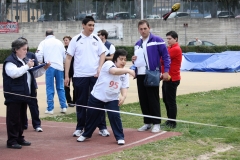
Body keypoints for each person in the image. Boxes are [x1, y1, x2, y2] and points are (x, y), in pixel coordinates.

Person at [77, 49, 135, 145]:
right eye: (121, 59)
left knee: (115, 116)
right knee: (92, 117)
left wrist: (123, 96)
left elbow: (124, 86)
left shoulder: (124, 73)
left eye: (125, 59)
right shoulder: (108, 64)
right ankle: (86, 134)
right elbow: (113, 71)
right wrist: (129, 70)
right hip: (97, 96)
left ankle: (120, 137)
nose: (123, 62)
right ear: (115, 59)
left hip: (112, 98)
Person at [64, 16, 110, 137]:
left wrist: (100, 68)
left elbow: (103, 53)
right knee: (81, 102)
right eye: (89, 25)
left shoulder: (96, 38)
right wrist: (67, 75)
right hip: (80, 76)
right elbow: (68, 58)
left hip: (95, 76)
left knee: (98, 101)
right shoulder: (75, 39)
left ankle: (102, 127)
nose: (92, 28)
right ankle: (80, 127)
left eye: (93, 25)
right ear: (83, 25)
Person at [3, 39, 49, 149]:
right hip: (14, 94)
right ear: (16, 50)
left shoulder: (25, 60)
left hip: (24, 94)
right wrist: (27, 66)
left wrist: (44, 68)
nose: (26, 51)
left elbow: (33, 74)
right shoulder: (10, 61)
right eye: (23, 49)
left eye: (26, 49)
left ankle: (19, 137)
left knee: (21, 118)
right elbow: (14, 73)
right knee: (13, 118)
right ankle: (12, 140)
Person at [132, 20, 170, 133]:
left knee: (153, 99)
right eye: (141, 29)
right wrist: (133, 60)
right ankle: (147, 122)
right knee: (143, 99)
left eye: (145, 28)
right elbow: (137, 60)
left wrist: (166, 71)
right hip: (140, 75)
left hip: (152, 73)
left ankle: (156, 123)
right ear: (138, 30)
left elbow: (166, 56)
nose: (143, 31)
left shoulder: (157, 40)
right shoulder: (137, 44)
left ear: (149, 28)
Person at [36, 29, 67, 114]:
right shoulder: (59, 42)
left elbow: (38, 54)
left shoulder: (43, 42)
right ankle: (63, 106)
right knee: (60, 87)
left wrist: (41, 62)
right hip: (59, 67)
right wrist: (62, 62)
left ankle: (50, 108)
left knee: (50, 87)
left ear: (45, 35)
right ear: (53, 34)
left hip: (49, 66)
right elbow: (65, 56)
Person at [161, 31, 182, 129]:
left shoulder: (175, 49)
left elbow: (162, 59)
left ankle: (172, 122)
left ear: (175, 39)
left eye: (170, 39)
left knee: (170, 101)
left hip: (172, 79)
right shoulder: (169, 48)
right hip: (167, 78)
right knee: (166, 100)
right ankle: (170, 120)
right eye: (167, 39)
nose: (168, 41)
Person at [63, 35, 75, 107]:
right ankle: (69, 101)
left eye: (66, 40)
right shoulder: (63, 49)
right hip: (66, 69)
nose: (65, 41)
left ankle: (75, 100)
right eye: (64, 40)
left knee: (75, 86)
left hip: (74, 69)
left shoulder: (73, 49)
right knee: (66, 86)